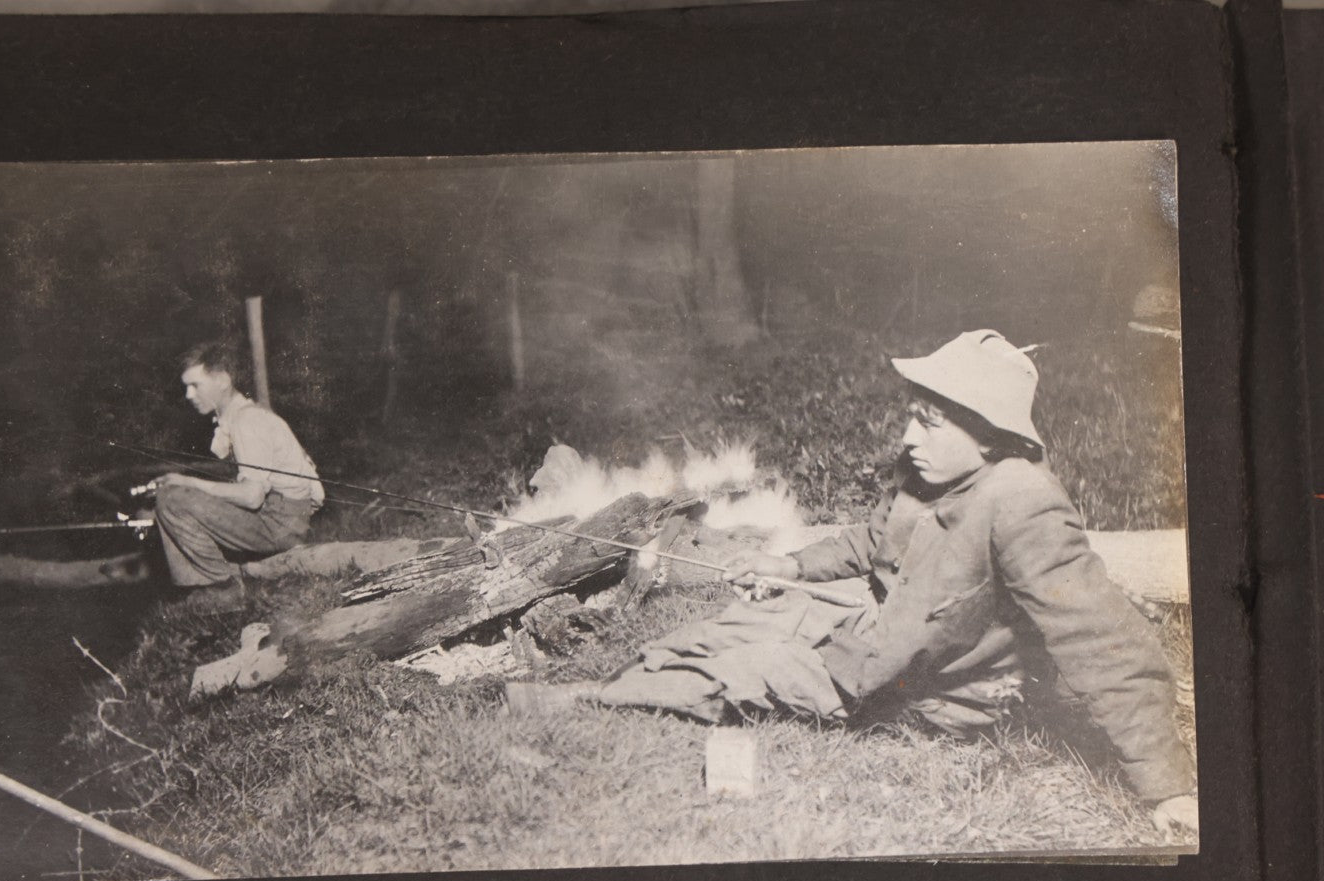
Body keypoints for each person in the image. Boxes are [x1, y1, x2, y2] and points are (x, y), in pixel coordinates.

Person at [505, 330, 1198, 835]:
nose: (907, 437)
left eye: (927, 422)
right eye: (911, 417)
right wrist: (788, 567)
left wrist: (1166, 788)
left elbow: (1103, 641)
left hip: (925, 682)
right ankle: (651, 673)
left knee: (744, 669)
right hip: (878, 624)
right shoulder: (933, 477)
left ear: (988, 435)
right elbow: (874, 542)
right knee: (730, 626)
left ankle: (584, 701)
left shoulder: (1021, 502)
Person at [152, 341, 324, 610]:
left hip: (279, 524)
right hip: (286, 518)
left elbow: (252, 497)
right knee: (172, 497)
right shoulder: (240, 417)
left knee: (172, 499)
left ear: (222, 380)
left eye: (195, 385)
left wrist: (189, 482)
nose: (188, 394)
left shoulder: (248, 422)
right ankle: (201, 587)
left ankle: (222, 587)